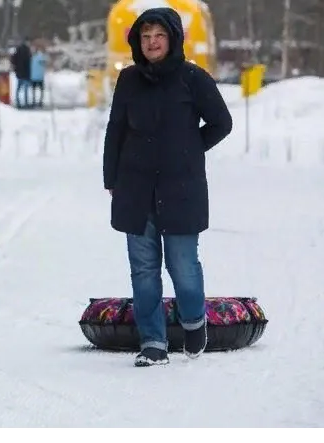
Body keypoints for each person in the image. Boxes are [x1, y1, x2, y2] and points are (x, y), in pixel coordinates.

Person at [102, 8, 233, 367]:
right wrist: (111, 177)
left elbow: (222, 122)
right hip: (135, 186)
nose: (152, 43)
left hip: (181, 188)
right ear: (137, 42)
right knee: (143, 269)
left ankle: (193, 321)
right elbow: (116, 130)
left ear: (173, 38)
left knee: (182, 266)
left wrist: (190, 149)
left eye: (158, 36)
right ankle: (153, 342)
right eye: (145, 37)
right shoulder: (128, 80)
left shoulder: (193, 78)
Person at [11, 37, 33, 108]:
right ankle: (25, 103)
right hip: (26, 73)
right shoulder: (27, 51)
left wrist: (16, 68)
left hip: (19, 72)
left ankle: (18, 102)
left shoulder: (18, 49)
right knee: (25, 89)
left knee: (19, 89)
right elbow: (29, 63)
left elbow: (13, 59)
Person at [29, 41, 47, 108]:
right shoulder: (41, 56)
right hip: (39, 76)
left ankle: (34, 101)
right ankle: (40, 102)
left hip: (34, 76)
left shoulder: (32, 56)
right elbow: (44, 63)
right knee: (41, 90)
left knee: (34, 90)